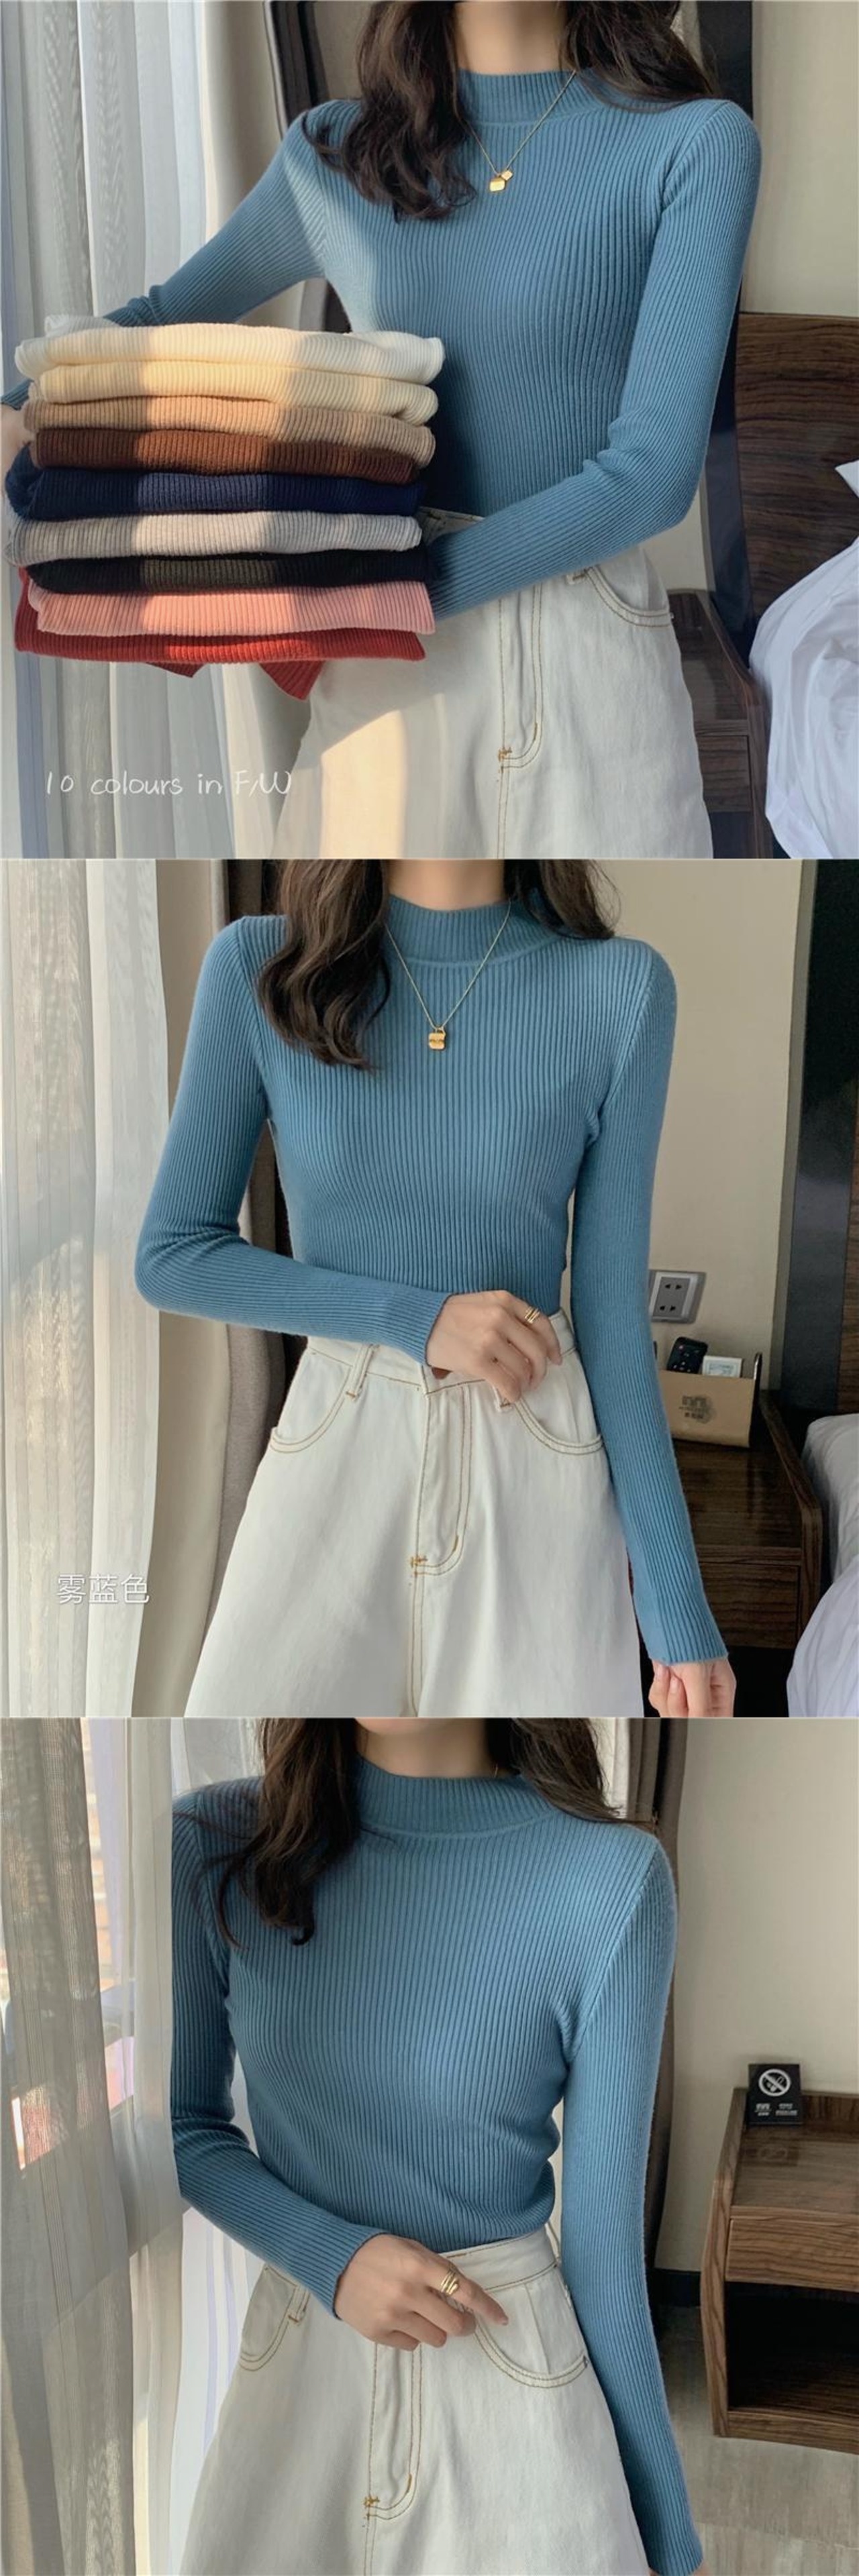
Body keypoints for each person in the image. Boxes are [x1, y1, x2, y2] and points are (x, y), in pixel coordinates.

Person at [2, 2, 762, 861]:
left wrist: (383, 591)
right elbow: (159, 323)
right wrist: (13, 408)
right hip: (381, 649)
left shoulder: (694, 142)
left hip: (575, 636)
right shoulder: (337, 152)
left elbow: (651, 477)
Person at [134, 856, 735, 1719]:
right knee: (251, 1730)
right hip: (341, 1425)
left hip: (532, 1435)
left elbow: (609, 1317)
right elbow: (173, 1254)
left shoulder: (621, 986)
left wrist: (676, 1606)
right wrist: (416, 1319)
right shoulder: (261, 966)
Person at [172, 1715, 710, 2576]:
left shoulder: (611, 1877)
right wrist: (332, 2258)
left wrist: (670, 2546)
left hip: (509, 2372)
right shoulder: (216, 1842)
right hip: (302, 2363)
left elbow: (604, 2256)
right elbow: (189, 2129)